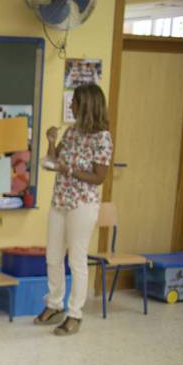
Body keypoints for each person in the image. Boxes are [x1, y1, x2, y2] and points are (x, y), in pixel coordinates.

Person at [36, 83, 114, 336]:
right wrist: (51, 141)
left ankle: (75, 314)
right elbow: (53, 161)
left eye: (75, 102)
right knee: (53, 256)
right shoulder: (71, 133)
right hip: (60, 201)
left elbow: (98, 177)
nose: (71, 106)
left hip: (82, 204)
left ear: (87, 105)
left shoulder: (102, 138)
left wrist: (67, 170)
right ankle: (54, 304)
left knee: (77, 259)